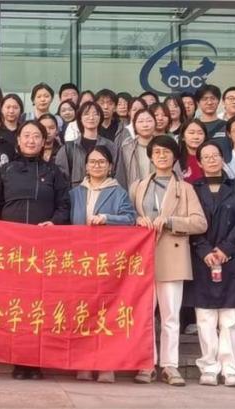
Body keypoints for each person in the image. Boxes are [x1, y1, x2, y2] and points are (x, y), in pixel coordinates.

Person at [0, 120, 70, 381]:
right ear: (18, 140)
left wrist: (54, 222)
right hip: (13, 252)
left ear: (44, 141)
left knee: (40, 306)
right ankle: (19, 361)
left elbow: (64, 206)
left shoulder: (54, 172)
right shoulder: (6, 170)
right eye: (26, 136)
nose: (31, 140)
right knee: (16, 306)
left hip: (43, 251)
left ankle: (36, 362)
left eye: (36, 136)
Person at [127, 136, 207, 386]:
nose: (161, 156)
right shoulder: (138, 186)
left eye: (166, 152)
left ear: (175, 157)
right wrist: (137, 220)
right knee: (144, 315)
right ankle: (146, 363)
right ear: (150, 157)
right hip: (142, 257)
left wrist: (171, 222)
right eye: (157, 152)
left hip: (172, 255)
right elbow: (127, 216)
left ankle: (170, 365)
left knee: (171, 315)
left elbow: (200, 223)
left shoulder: (185, 188)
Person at [188, 140, 235, 387]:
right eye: (206, 156)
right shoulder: (192, 189)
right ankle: (208, 367)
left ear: (222, 158)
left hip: (232, 259)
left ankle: (230, 368)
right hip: (202, 259)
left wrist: (226, 249)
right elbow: (190, 221)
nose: (211, 159)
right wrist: (204, 249)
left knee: (231, 318)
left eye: (215, 155)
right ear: (199, 162)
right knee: (205, 317)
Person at [69, 145, 136, 384]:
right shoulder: (75, 193)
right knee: (84, 313)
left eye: (101, 162)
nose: (97, 165)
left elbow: (130, 219)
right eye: (92, 162)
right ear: (86, 166)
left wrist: (107, 219)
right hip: (80, 261)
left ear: (110, 166)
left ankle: (107, 365)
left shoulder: (118, 192)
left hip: (109, 261)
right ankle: (85, 364)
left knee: (107, 314)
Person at [56, 101, 120, 186]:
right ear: (80, 118)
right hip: (76, 193)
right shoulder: (68, 149)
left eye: (95, 114)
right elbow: (60, 179)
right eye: (86, 114)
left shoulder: (110, 146)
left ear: (100, 118)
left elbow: (117, 174)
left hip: (105, 191)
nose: (91, 117)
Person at [118, 109, 160, 187]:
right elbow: (121, 174)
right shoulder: (126, 147)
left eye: (149, 121)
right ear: (134, 126)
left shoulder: (162, 145)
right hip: (133, 190)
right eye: (140, 121)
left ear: (155, 123)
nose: (145, 125)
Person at [196, 85, 230, 161]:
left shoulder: (228, 126)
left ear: (218, 101)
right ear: (198, 103)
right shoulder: (192, 127)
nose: (209, 102)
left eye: (213, 98)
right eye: (204, 99)